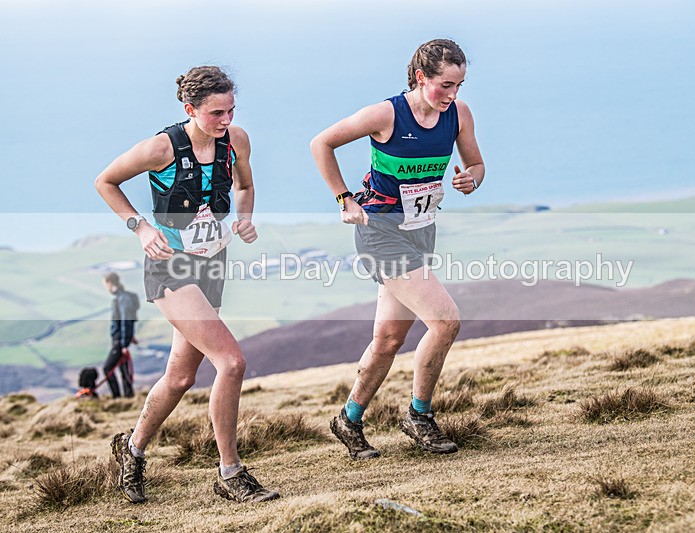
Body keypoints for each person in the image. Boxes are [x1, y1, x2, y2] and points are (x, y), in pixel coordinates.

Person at [95, 66, 278, 504]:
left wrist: (246, 218)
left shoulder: (237, 141)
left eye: (231, 110)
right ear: (189, 109)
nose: (226, 121)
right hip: (170, 267)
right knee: (231, 362)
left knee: (178, 378)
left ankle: (132, 449)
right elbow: (105, 182)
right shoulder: (160, 147)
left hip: (211, 266)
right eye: (216, 113)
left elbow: (245, 184)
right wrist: (140, 228)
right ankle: (230, 472)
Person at [310, 39, 485, 459]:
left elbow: (476, 164)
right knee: (445, 321)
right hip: (380, 231)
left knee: (388, 340)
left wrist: (471, 179)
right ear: (421, 78)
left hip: (420, 229)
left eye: (459, 84)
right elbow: (322, 143)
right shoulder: (386, 114)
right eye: (445, 85)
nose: (453, 95)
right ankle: (418, 415)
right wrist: (343, 198)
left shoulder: (458, 114)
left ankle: (348, 419)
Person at [102, 272, 138, 398]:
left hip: (119, 340)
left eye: (105, 284)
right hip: (121, 339)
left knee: (107, 368)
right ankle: (128, 396)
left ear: (109, 283)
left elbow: (125, 320)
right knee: (123, 368)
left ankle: (117, 397)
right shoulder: (121, 297)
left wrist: (124, 343)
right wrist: (130, 336)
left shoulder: (122, 298)